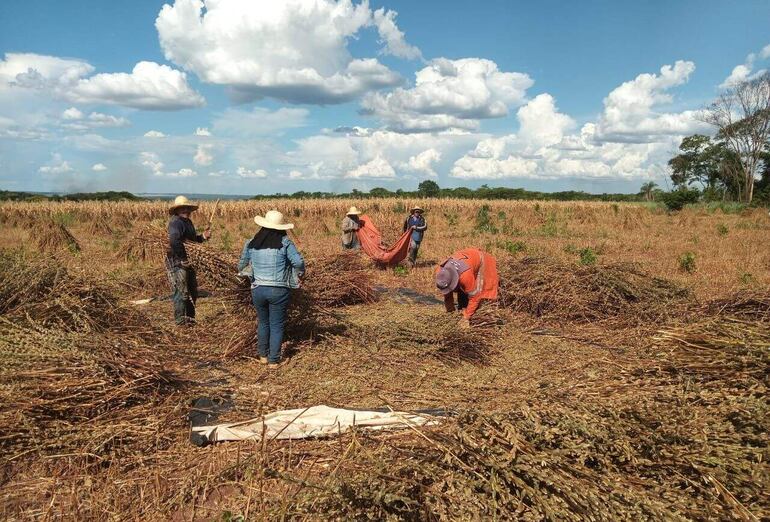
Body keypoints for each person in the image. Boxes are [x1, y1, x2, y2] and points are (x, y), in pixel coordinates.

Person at [238, 210, 305, 369]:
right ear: (281, 228)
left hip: (257, 289)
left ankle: (263, 356)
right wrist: (300, 275)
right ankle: (274, 360)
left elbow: (241, 264)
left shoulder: (252, 243)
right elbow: (298, 262)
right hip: (278, 291)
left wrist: (246, 274)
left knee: (263, 322)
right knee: (276, 324)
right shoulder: (285, 243)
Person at [166, 195, 211, 326]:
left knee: (192, 291)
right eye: (182, 208)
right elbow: (174, 241)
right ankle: (181, 322)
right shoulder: (176, 222)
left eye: (187, 208)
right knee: (181, 293)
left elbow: (191, 243)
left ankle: (190, 320)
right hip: (177, 263)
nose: (185, 210)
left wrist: (202, 236)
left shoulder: (188, 223)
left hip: (188, 262)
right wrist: (182, 258)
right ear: (177, 210)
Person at [435, 248, 498, 328]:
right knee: (464, 292)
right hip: (468, 262)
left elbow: (475, 296)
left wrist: (465, 317)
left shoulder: (465, 276)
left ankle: (488, 323)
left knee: (484, 294)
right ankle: (467, 309)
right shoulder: (441, 273)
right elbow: (447, 294)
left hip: (482, 261)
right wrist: (450, 313)